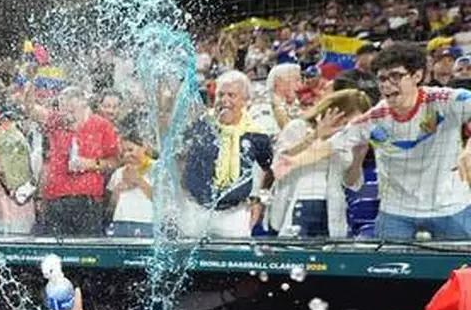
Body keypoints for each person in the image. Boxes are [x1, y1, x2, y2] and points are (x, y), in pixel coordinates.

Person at [276, 43, 471, 240]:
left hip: (450, 205)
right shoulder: (374, 119)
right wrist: (292, 162)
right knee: (387, 267)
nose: (386, 85)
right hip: (397, 211)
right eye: (382, 78)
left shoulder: (445, 100)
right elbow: (329, 146)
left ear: (416, 76)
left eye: (395, 76)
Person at [180, 70, 273, 238]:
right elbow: (179, 157)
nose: (225, 100)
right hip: (195, 210)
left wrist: (258, 199)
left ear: (245, 101)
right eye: (221, 94)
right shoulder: (201, 126)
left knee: (233, 260)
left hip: (234, 214)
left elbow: (268, 169)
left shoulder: (257, 134)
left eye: (232, 95)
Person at [269, 89, 372, 238]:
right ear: (336, 110)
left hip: (331, 209)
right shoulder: (299, 126)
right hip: (298, 201)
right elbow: (281, 160)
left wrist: (358, 157)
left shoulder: (349, 139)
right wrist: (317, 135)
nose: (348, 126)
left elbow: (351, 182)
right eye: (347, 120)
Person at [26, 84, 120, 237]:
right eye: (63, 109)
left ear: (84, 106)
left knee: (87, 254)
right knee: (55, 253)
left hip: (88, 200)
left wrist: (89, 164)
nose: (67, 116)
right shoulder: (57, 121)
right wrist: (30, 83)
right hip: (56, 198)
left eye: (72, 111)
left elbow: (115, 161)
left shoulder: (102, 126)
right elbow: (30, 109)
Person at [107, 131, 155, 238]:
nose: (127, 155)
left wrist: (139, 181)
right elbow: (111, 207)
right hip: (121, 223)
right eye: (124, 151)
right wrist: (117, 191)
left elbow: (161, 200)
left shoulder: (157, 168)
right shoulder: (118, 172)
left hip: (147, 222)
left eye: (130, 150)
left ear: (144, 147)